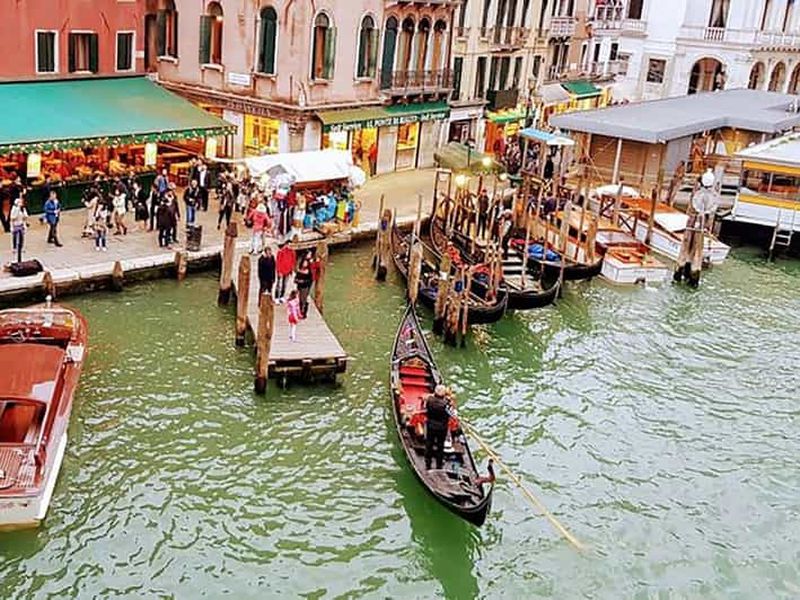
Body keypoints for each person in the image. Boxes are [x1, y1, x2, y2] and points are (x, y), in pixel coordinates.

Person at [424, 384, 451, 470]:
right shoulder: (446, 404)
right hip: (442, 428)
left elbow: (426, 408)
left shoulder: (429, 400)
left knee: (429, 444)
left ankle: (428, 463)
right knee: (440, 445)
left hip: (431, 426)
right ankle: (439, 464)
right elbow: (451, 414)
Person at [294, 253, 313, 318]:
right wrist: (297, 280)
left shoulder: (309, 271)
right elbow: (296, 278)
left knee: (303, 299)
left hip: (305, 287)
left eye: (306, 263)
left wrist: (303, 281)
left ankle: (303, 312)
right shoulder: (300, 270)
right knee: (300, 299)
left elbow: (310, 280)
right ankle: (300, 311)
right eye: (304, 263)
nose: (305, 264)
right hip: (300, 286)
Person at [10, 198, 28, 263]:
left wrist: (24, 213)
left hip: (21, 224)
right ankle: (14, 247)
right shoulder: (14, 209)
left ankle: (21, 247)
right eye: (19, 203)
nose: (21, 204)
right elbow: (13, 217)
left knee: (22, 237)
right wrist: (18, 210)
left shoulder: (23, 209)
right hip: (15, 225)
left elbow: (26, 216)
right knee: (15, 237)